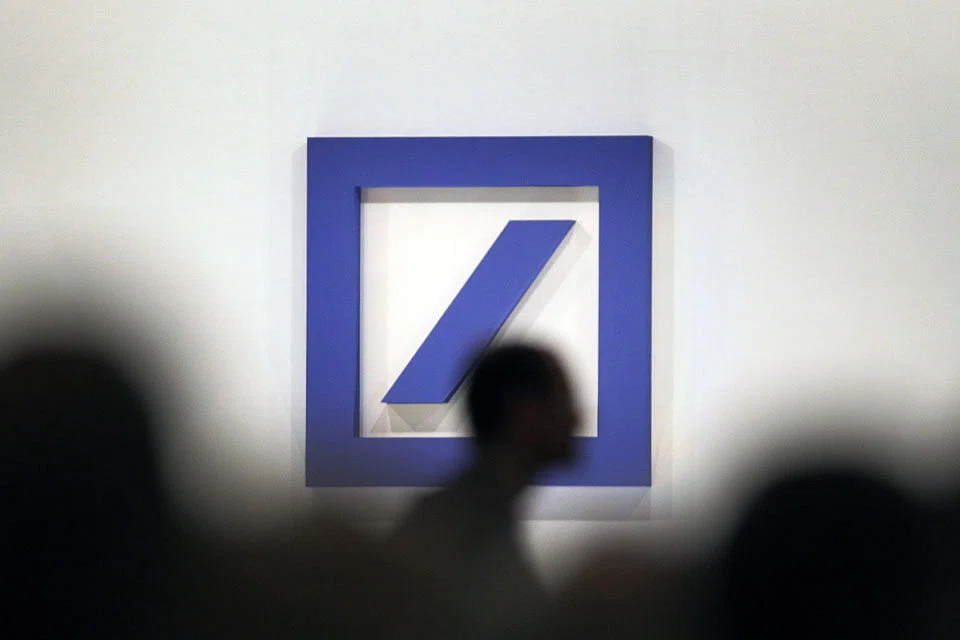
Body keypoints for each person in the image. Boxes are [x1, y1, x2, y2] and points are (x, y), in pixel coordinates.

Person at [386, 341, 581, 639]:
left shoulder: (459, 519)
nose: (576, 418)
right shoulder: (453, 534)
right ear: (525, 414)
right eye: (563, 401)